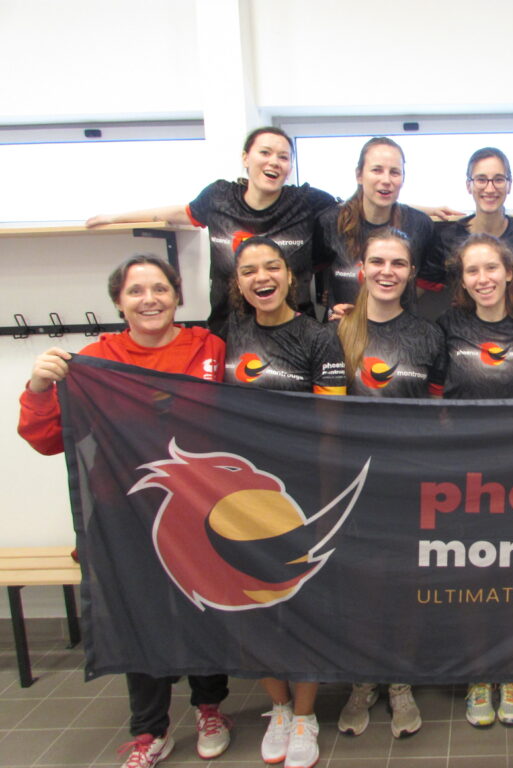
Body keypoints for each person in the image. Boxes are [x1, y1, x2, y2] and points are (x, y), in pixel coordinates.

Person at [17, 255, 230, 768]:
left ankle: (209, 708)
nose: (149, 299)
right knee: (138, 615)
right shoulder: (94, 361)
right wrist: (39, 387)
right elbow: (47, 439)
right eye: (136, 291)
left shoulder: (210, 348)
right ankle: (150, 730)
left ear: (178, 296)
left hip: (196, 510)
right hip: (123, 516)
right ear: (118, 302)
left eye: (160, 289)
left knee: (203, 608)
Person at [223, 236, 347, 768]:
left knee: (301, 602)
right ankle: (277, 706)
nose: (262, 277)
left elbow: (331, 425)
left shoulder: (319, 338)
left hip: (298, 492)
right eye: (249, 270)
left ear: (289, 275)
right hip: (235, 498)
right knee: (250, 603)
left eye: (271, 266)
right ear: (238, 282)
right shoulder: (226, 335)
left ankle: (305, 714)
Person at [335, 228, 445, 739]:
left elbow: (439, 415)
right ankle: (363, 680)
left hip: (408, 481)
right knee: (360, 588)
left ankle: (400, 681)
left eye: (398, 263)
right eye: (377, 261)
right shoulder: (337, 331)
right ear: (362, 270)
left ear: (411, 273)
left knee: (403, 586)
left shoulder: (428, 335)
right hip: (351, 484)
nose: (387, 271)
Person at [436, 233, 513, 725]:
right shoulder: (446, 328)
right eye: (472, 271)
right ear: (462, 281)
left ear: (509, 273)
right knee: (472, 576)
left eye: (491, 268)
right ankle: (480, 673)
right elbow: (435, 404)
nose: (483, 279)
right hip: (463, 477)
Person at [86, 127, 337, 337]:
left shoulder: (308, 202)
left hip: (296, 334)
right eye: (265, 152)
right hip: (229, 332)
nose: (274, 161)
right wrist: (114, 217)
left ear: (290, 167)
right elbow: (181, 213)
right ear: (245, 158)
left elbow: (349, 221)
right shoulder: (219, 198)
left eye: (283, 157)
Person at [317, 137, 436, 319]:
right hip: (342, 328)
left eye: (394, 172)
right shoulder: (331, 222)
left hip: (400, 331)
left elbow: (428, 279)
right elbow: (314, 271)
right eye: (377, 170)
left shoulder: (419, 225)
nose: (386, 180)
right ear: (359, 175)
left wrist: (400, 302)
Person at [420, 147, 513, 291]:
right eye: (481, 180)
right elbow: (418, 289)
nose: (490, 189)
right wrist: (427, 210)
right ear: (469, 186)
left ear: (509, 185)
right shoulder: (448, 238)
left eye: (499, 179)